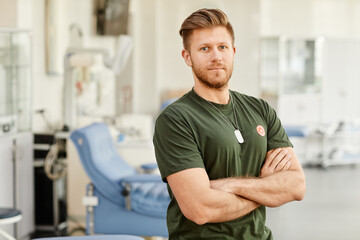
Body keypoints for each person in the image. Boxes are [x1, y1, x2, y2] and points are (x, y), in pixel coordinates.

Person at [153, 8, 306, 240]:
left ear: (233, 52)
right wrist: (266, 187)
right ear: (187, 57)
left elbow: (296, 186)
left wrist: (229, 185)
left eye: (222, 47)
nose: (216, 56)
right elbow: (200, 209)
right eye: (204, 48)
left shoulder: (261, 110)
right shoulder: (175, 120)